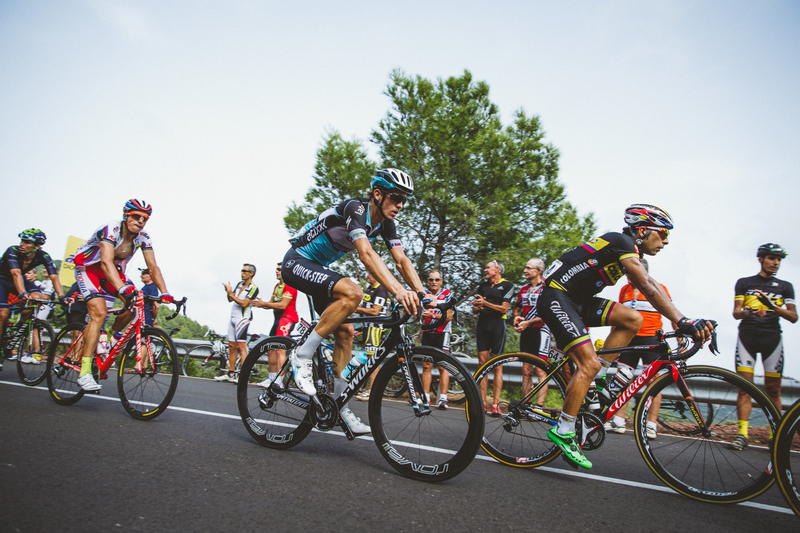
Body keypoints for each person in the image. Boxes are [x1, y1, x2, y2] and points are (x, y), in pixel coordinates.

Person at [536, 204, 714, 469]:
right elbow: (647, 284)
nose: (665, 242)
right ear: (642, 229)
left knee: (633, 319)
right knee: (589, 363)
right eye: (663, 234)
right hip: (559, 297)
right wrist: (683, 320)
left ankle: (598, 379)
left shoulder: (624, 247)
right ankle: (563, 430)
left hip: (577, 301)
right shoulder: (622, 242)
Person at [280, 168, 429, 435]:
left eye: (405, 200)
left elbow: (402, 260)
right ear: (378, 194)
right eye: (396, 198)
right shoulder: (355, 209)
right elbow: (366, 254)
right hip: (297, 261)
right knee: (353, 292)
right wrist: (398, 291)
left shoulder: (386, 223)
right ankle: (301, 355)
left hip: (319, 270)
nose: (400, 205)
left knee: (346, 332)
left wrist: (423, 294)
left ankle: (339, 405)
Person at [71, 200, 174, 391]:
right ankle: (84, 372)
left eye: (145, 218)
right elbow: (105, 262)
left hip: (113, 270)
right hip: (89, 268)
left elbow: (152, 266)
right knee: (100, 313)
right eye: (136, 216)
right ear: (126, 215)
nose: (141, 221)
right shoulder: (111, 228)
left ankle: (110, 339)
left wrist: (165, 292)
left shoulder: (143, 237)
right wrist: (120, 288)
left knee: (137, 303)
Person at [731, 243, 797, 451]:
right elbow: (736, 312)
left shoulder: (785, 286)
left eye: (778, 260)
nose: (775, 263)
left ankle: (774, 435)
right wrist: (749, 312)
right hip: (747, 337)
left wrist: (772, 306)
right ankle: (742, 435)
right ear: (761, 259)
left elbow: (793, 317)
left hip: (772, 339)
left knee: (774, 390)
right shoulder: (744, 283)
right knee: (744, 389)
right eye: (771, 258)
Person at [603, 257, 677, 438]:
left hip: (652, 340)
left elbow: (671, 312)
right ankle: (618, 421)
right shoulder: (625, 290)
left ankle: (651, 425)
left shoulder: (658, 288)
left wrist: (679, 336)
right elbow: (618, 317)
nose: (628, 277)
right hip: (629, 341)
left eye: (630, 273)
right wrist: (613, 341)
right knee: (622, 379)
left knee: (653, 383)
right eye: (626, 274)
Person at [0, 229, 67, 369]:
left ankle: (19, 327)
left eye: (27, 242)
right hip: (3, 280)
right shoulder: (12, 250)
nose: (22, 244)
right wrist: (22, 292)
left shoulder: (43, 255)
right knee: (3, 313)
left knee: (38, 297)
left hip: (18, 280)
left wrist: (62, 297)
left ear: (37, 246)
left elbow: (54, 276)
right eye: (22, 240)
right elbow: (16, 274)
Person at [472, 260, 514, 416]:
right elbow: (475, 309)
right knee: (482, 364)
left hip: (498, 325)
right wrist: (478, 306)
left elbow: (504, 308)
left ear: (497, 270)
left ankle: (496, 403)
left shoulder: (508, 285)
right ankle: (482, 402)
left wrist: (485, 303)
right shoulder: (483, 286)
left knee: (497, 365)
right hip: (483, 324)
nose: (485, 270)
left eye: (488, 267)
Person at [512, 258, 551, 410]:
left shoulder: (546, 289)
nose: (525, 271)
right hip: (527, 331)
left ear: (538, 271)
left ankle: (539, 407)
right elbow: (517, 307)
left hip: (542, 330)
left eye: (528, 268)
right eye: (525, 267)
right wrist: (517, 317)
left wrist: (529, 322)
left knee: (541, 369)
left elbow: (549, 314)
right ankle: (527, 405)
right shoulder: (523, 289)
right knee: (526, 370)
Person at [253, 262, 299, 389]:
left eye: (279, 269)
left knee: (280, 349)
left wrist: (264, 304)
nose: (276, 271)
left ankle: (279, 380)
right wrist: (261, 304)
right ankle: (271, 378)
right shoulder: (277, 286)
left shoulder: (290, 285)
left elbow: (282, 305)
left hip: (287, 319)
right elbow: (271, 303)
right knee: (270, 349)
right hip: (278, 319)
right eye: (276, 269)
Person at [420, 269, 455, 409]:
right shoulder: (424, 294)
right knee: (426, 365)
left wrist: (432, 316)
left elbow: (449, 316)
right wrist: (422, 317)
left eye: (436, 280)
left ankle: (443, 399)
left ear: (441, 281)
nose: (433, 282)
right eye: (431, 280)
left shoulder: (448, 294)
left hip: (442, 332)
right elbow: (419, 313)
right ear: (428, 281)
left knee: (442, 365)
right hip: (427, 331)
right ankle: (425, 397)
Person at [218, 263, 259, 383]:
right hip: (233, 316)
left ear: (251, 273)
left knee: (242, 347)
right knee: (231, 347)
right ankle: (230, 373)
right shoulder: (239, 284)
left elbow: (244, 303)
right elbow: (230, 299)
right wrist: (228, 292)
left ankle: (243, 376)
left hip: (242, 318)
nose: (242, 273)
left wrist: (231, 295)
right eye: (241, 270)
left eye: (245, 271)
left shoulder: (253, 287)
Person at [353, 271, 390, 401]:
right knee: (369, 358)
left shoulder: (381, 289)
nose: (368, 275)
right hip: (367, 327)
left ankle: (373, 391)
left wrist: (355, 308)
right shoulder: (370, 289)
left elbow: (375, 311)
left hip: (375, 328)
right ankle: (369, 388)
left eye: (370, 273)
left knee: (372, 359)